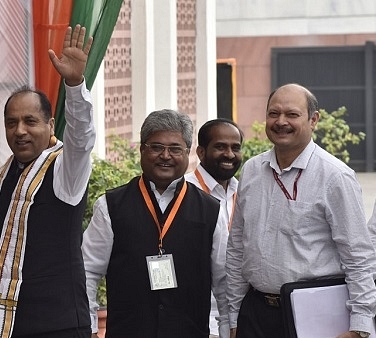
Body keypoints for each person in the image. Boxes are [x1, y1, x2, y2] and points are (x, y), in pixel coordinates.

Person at [0, 24, 95, 338]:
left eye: (30, 121)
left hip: (60, 325)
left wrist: (74, 84)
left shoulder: (64, 170)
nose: (20, 131)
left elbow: (82, 138)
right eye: (11, 122)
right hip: (5, 324)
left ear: (50, 124)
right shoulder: (3, 177)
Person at [226, 83, 376, 338]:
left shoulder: (335, 177)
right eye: (273, 113)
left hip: (314, 316)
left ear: (313, 120)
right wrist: (232, 316)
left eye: (292, 115)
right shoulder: (252, 170)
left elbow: (358, 256)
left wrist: (360, 325)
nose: (280, 122)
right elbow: (237, 246)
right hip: (255, 314)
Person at [82, 109, 229, 338]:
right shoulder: (110, 206)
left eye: (175, 149)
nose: (165, 156)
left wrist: (226, 330)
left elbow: (224, 283)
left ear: (188, 153)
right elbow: (87, 272)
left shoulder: (211, 210)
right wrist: (90, 328)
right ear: (142, 149)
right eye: (156, 147)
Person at [185, 118, 243, 338]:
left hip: (238, 316)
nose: (229, 154)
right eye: (220, 147)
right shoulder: (185, 193)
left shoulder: (245, 192)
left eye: (235, 148)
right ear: (200, 152)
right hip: (198, 319)